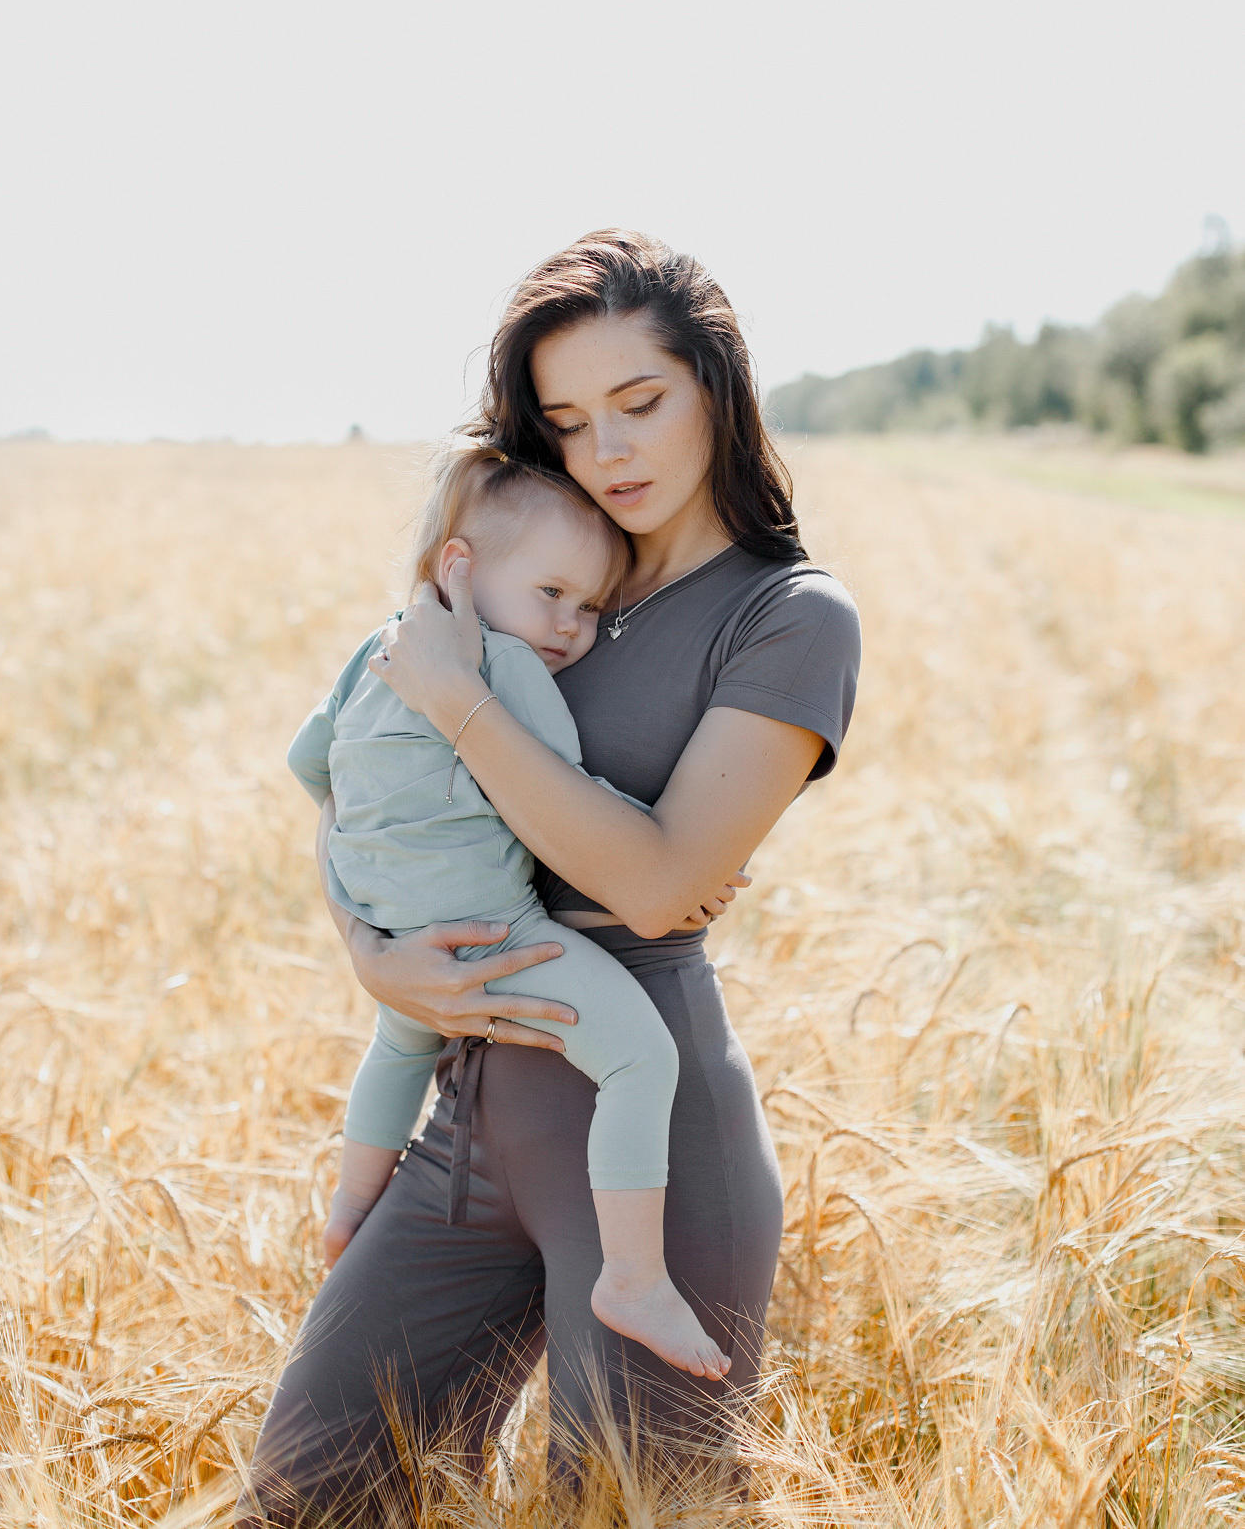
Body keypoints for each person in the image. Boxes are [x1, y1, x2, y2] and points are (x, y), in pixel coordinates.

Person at [241, 230, 861, 1523]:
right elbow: (370, 772)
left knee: (621, 1510)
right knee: (312, 1492)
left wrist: (466, 704)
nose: (608, 450)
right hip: (467, 1119)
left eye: (639, 403)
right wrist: (364, 942)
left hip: (651, 1148)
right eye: (570, 421)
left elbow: (649, 887)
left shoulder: (787, 616)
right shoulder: (543, 560)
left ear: (717, 392)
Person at [292, 440, 731, 1378]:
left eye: (589, 608)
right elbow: (556, 802)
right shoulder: (508, 669)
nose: (569, 627)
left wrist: (379, 846)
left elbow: (307, 765)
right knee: (638, 1055)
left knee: (397, 1045)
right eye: (552, 594)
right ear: (461, 567)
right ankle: (633, 1275)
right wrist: (685, 855)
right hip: (500, 935)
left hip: (400, 933)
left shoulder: (378, 650)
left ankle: (352, 1209)